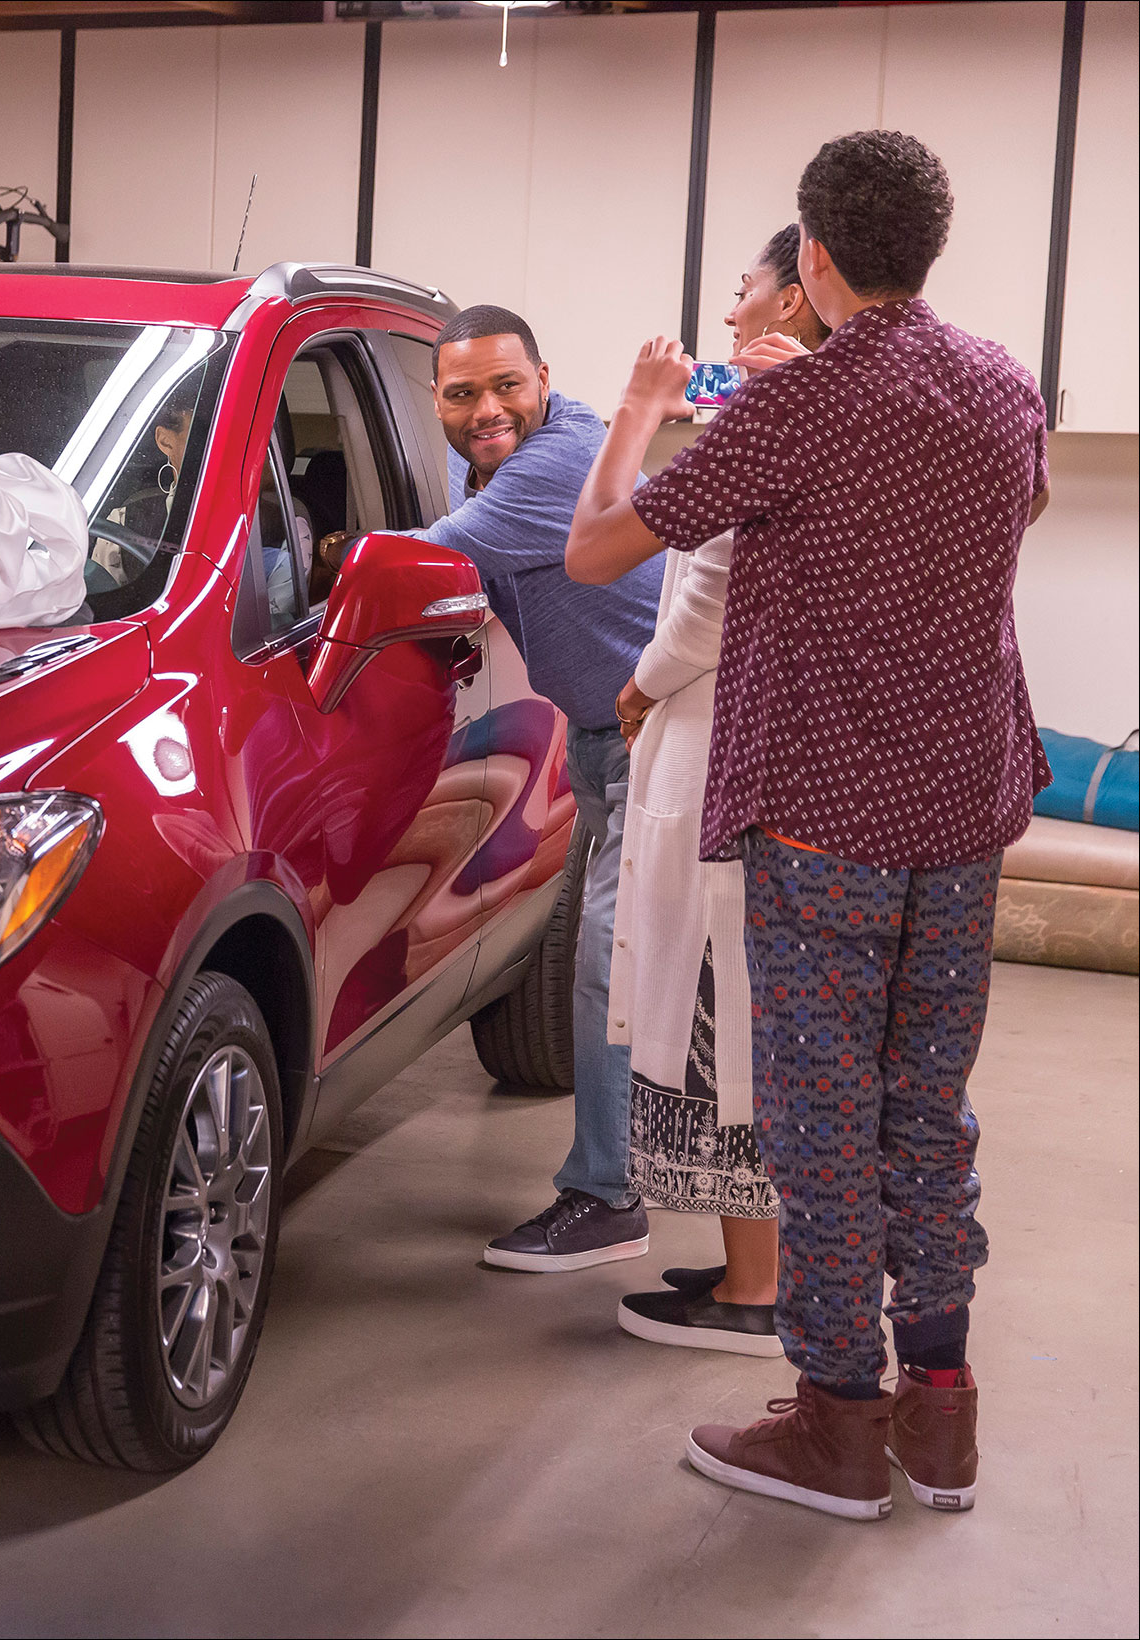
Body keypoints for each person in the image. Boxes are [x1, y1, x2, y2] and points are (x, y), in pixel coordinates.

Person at [568, 131, 1049, 1520]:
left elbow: (594, 549)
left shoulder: (795, 405)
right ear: (927, 248)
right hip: (962, 806)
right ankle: (938, 1422)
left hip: (824, 814)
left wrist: (639, 414)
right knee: (925, 1111)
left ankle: (836, 1422)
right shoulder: (1003, 386)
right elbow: (1001, 525)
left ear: (815, 259)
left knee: (821, 1121)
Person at [610, 226, 829, 1358]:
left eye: (743, 287)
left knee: (719, 1025)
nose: (730, 307)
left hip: (719, 752)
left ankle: (752, 1292)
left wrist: (639, 685)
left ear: (795, 294)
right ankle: (761, 1266)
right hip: (785, 753)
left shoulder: (761, 412)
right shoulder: (840, 414)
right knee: (749, 1021)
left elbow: (701, 595)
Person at [414, 305, 666, 1273]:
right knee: (622, 965)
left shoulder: (557, 460)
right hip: (602, 736)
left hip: (657, 734)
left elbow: (419, 557)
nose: (487, 408)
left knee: (611, 964)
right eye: (463, 392)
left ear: (543, 378)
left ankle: (606, 1197)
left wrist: (292, 564)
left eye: (505, 385)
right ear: (433, 398)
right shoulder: (482, 461)